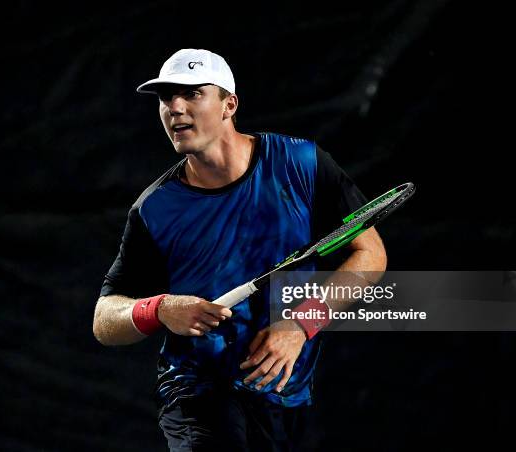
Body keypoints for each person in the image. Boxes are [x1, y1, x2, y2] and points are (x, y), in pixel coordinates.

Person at [93, 48, 387, 451]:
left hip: (284, 394)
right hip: (197, 392)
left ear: (229, 104)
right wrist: (160, 308)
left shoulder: (300, 163)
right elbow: (104, 319)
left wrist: (302, 324)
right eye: (165, 98)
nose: (174, 108)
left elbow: (370, 255)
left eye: (192, 93)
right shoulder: (154, 209)